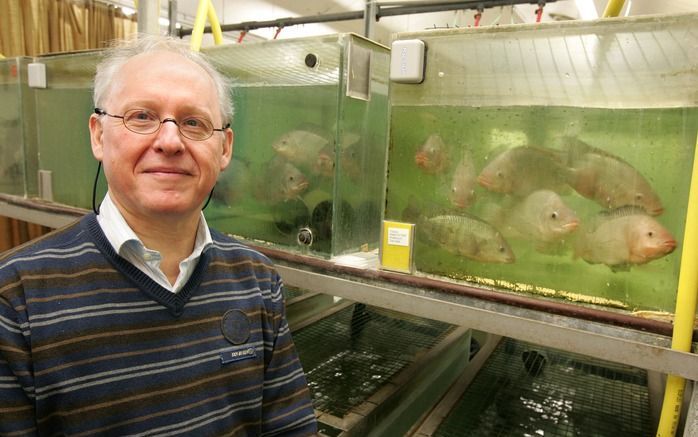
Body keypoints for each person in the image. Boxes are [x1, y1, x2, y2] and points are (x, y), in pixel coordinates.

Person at [0, 35, 318, 436]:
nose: (169, 141)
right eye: (142, 117)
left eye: (193, 123)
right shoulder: (15, 297)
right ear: (99, 135)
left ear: (224, 148)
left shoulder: (257, 279)